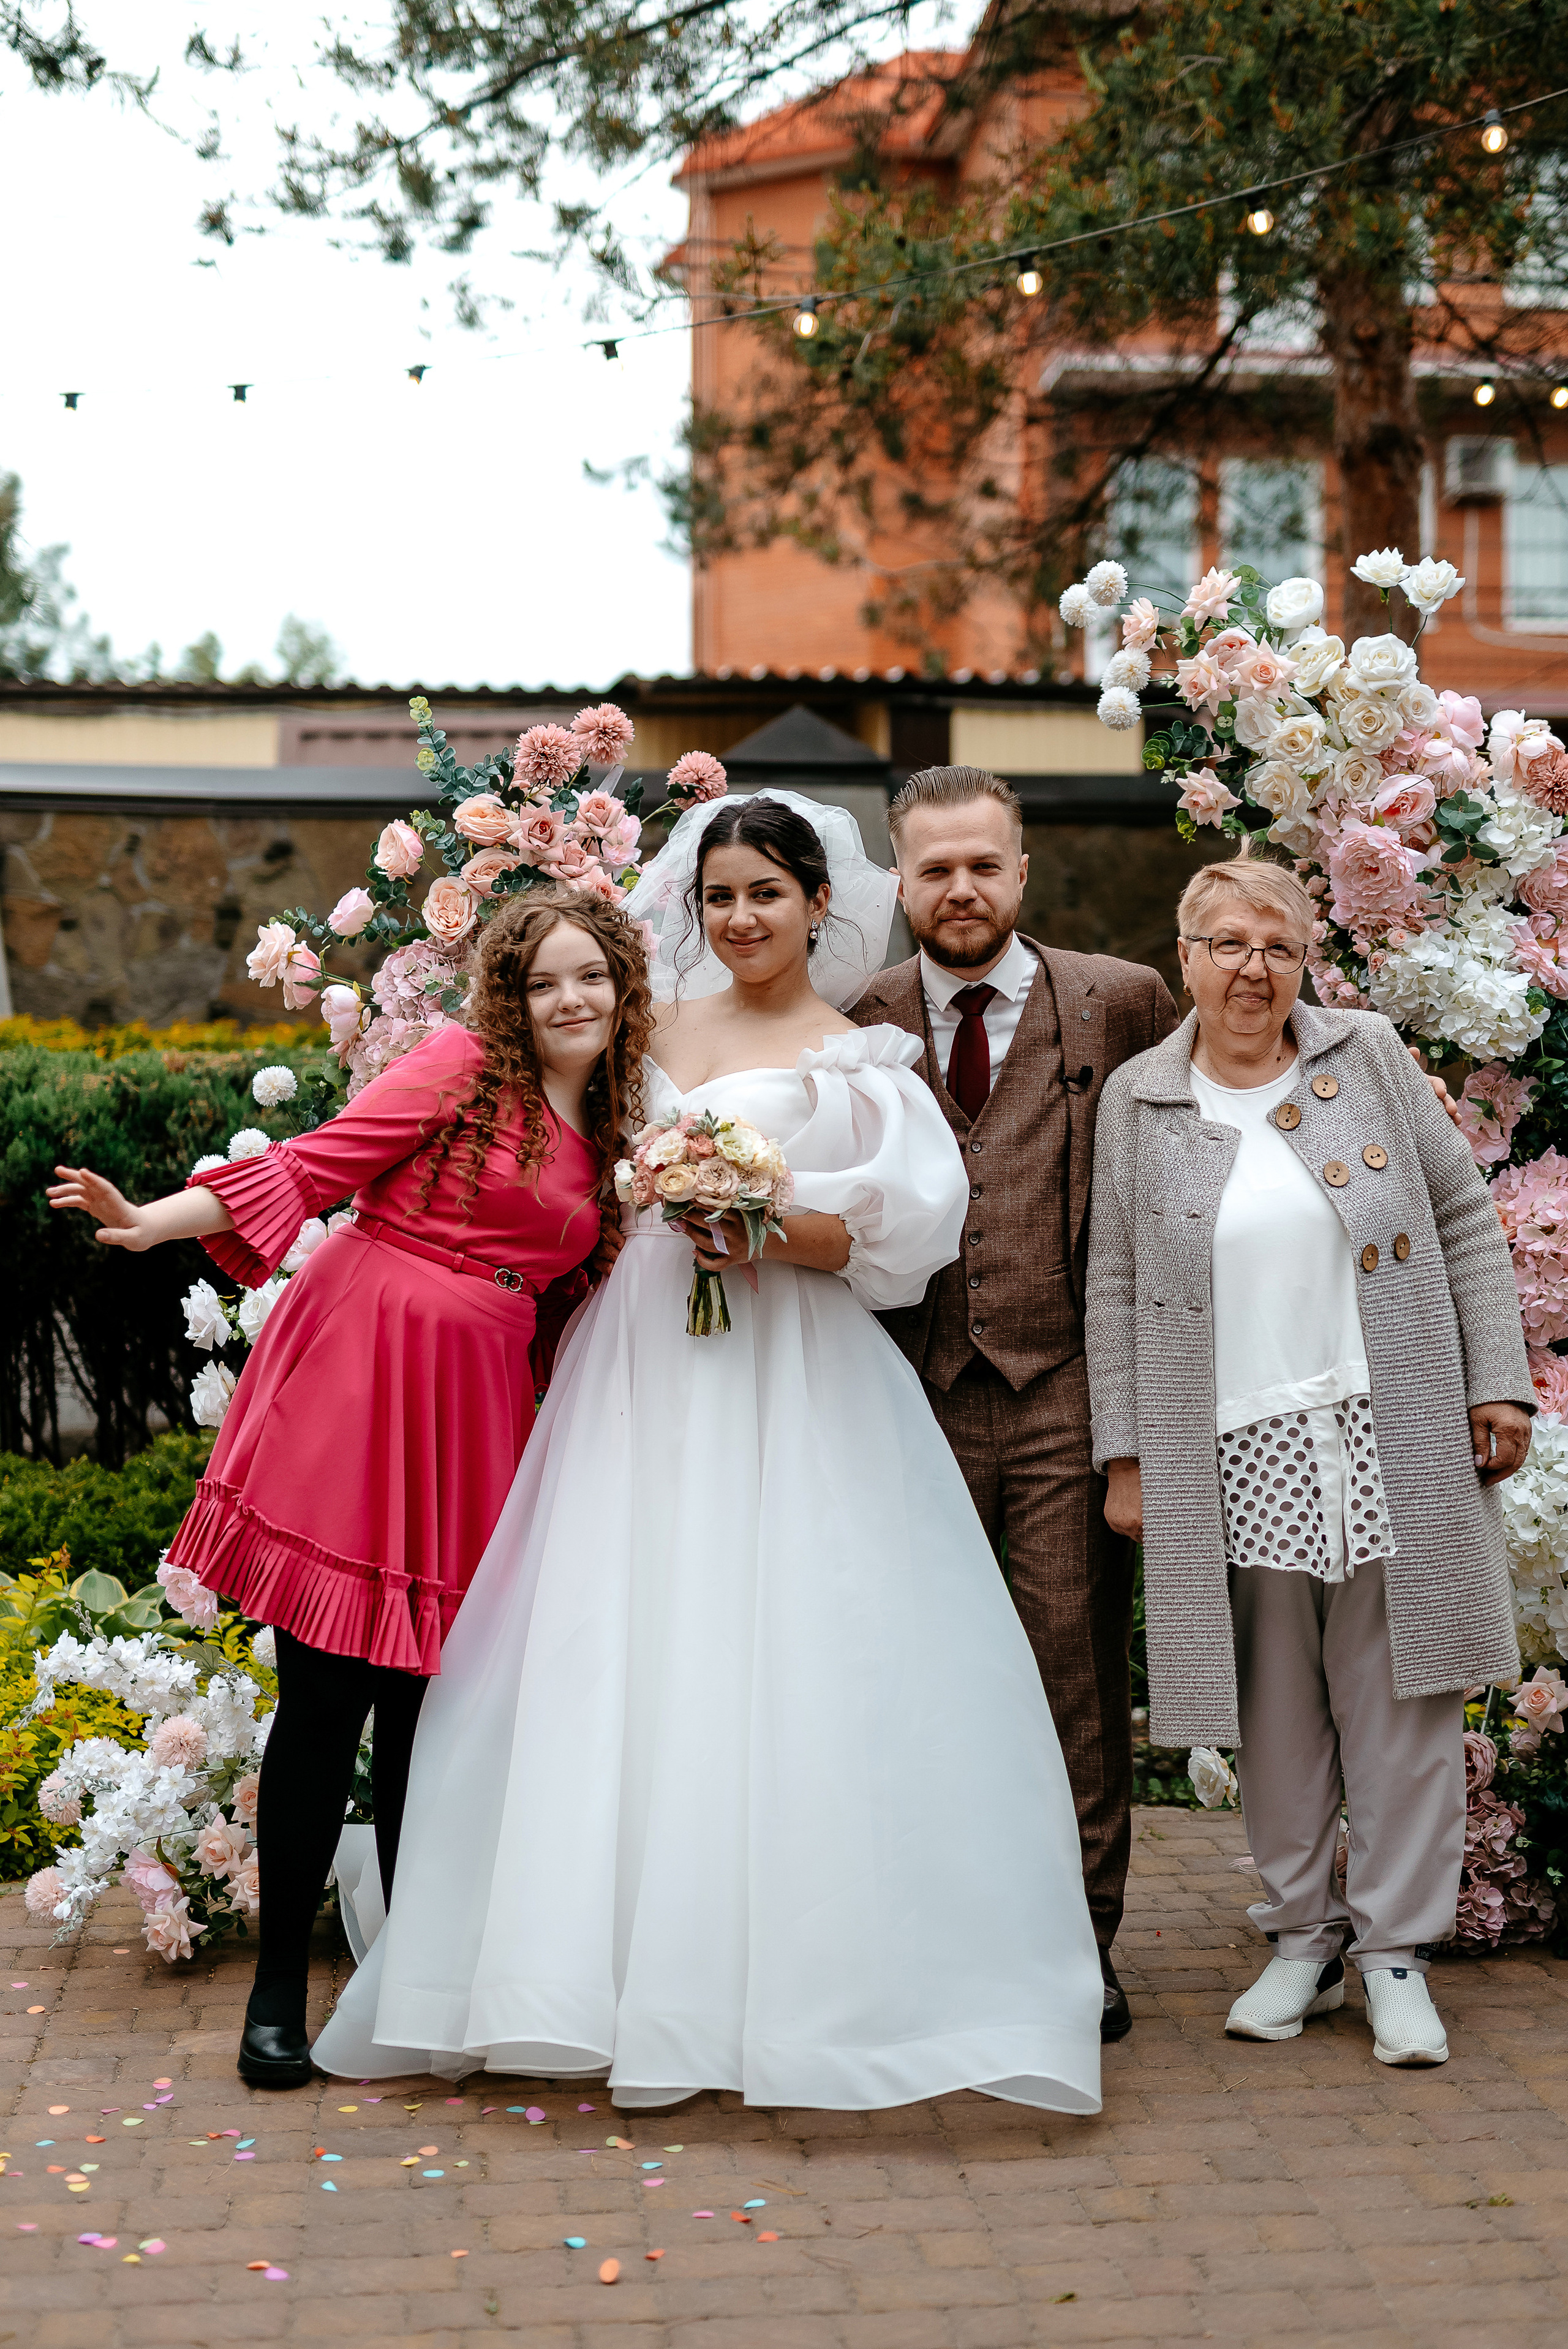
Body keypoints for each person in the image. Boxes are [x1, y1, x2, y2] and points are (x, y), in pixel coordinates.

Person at [314, 789, 1105, 2116]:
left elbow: (901, 1241)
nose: (741, 918)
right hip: (638, 1365)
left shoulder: (854, 1055)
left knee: (784, 1644)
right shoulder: (644, 1034)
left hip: (792, 1366)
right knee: (616, 1635)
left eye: (766, 895)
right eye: (720, 897)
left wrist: (759, 1219)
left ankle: (777, 1985)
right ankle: (582, 1978)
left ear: (816, 907)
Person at [46, 891, 650, 2089]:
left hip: (477, 1412)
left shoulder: (623, 1134)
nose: (570, 1001)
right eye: (543, 984)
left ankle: (407, 1988)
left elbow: (580, 1311)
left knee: (438, 1705)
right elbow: (316, 1166)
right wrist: (151, 1224)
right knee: (326, 1698)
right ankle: (276, 1993)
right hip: (365, 1370)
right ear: (510, 1000)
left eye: (593, 978)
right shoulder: (461, 1066)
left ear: (625, 989)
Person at [1085, 843, 1533, 2066]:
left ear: (1302, 962)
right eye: (1226, 943)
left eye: (1277, 944)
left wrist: (1495, 1380)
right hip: (1225, 1437)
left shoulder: (1363, 1056)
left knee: (1400, 1698)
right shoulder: (1141, 1098)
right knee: (1272, 1707)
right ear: (1183, 958)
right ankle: (1299, 1941)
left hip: (1383, 1413)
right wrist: (1123, 1456)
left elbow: (1457, 1213)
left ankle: (1393, 1956)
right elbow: (1114, 1276)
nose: (1252, 967)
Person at [848, 764, 1178, 2041]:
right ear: (900, 882)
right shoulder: (859, 1016)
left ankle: (1075, 1947)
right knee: (910, 1676)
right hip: (902, 1396)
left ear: (1023, 870)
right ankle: (928, 1933)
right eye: (934, 868)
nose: (961, 889)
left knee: (1070, 1678)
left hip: (1066, 1396)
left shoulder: (1120, 1001)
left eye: (983, 864)